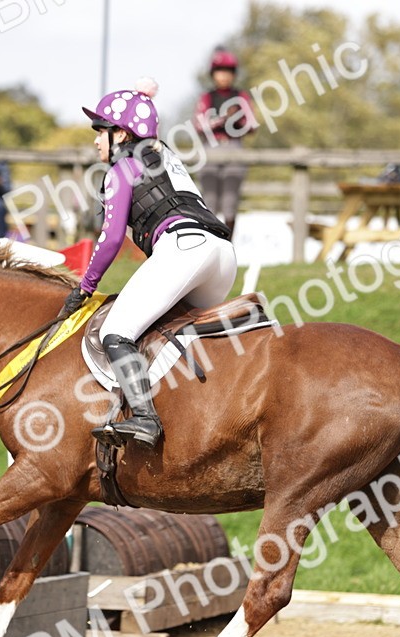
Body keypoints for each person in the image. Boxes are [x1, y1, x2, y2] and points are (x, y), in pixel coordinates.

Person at [59, 89, 236, 448]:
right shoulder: (168, 158)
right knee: (166, 332)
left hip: (184, 250)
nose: (96, 141)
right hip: (223, 255)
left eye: (101, 131)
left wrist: (84, 288)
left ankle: (145, 418)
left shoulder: (121, 169)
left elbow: (110, 240)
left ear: (121, 134)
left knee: (116, 332)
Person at [192, 47, 257, 233]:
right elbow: (199, 124)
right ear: (213, 74)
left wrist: (237, 119)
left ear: (233, 74)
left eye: (228, 71)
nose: (223, 76)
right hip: (211, 147)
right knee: (209, 200)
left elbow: (252, 125)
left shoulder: (241, 97)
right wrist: (223, 118)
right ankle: (210, 241)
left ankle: (228, 242)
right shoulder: (207, 97)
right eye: (220, 71)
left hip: (234, 147)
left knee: (230, 200)